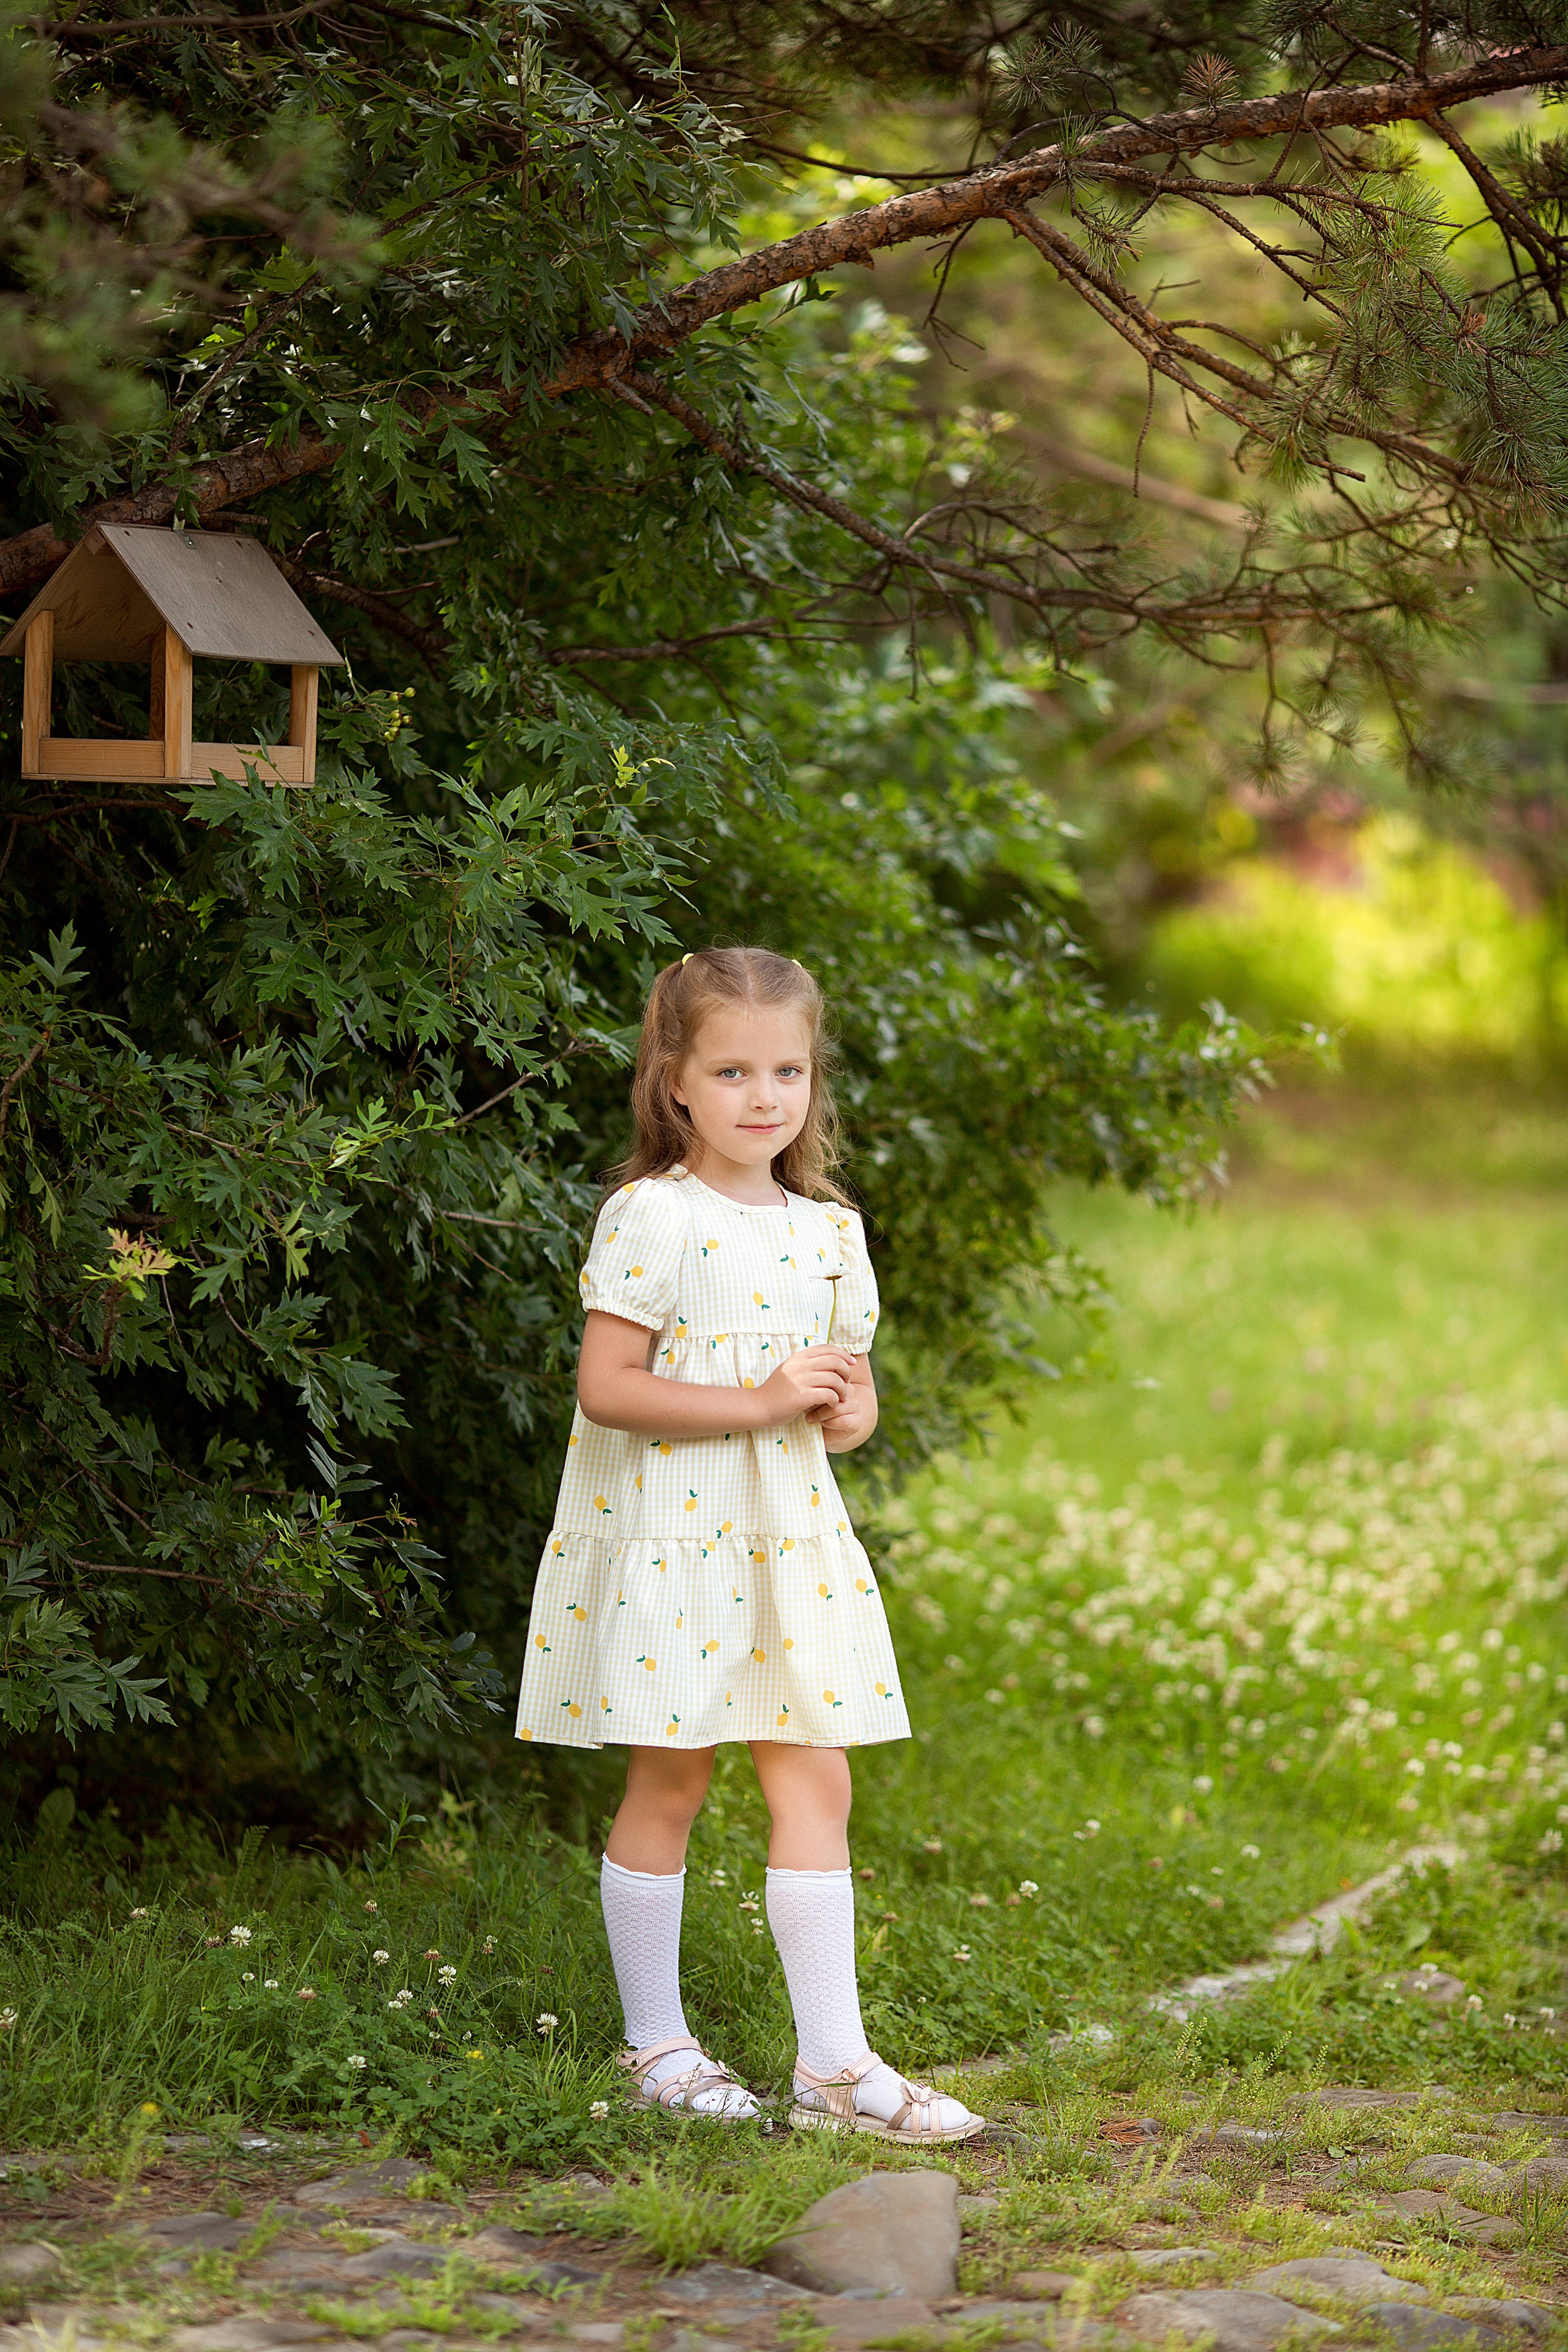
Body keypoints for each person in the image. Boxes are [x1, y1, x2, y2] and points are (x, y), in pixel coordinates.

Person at [515, 946, 984, 2143]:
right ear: (674, 1081)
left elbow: (852, 1402)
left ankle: (833, 2076)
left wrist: (840, 1407)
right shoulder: (652, 1218)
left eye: (786, 1069)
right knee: (671, 1776)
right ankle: (655, 2045)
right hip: (675, 1538)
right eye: (730, 1070)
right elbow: (610, 1388)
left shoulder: (828, 1234)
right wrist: (760, 1401)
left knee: (816, 1771)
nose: (762, 1096)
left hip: (787, 1539)